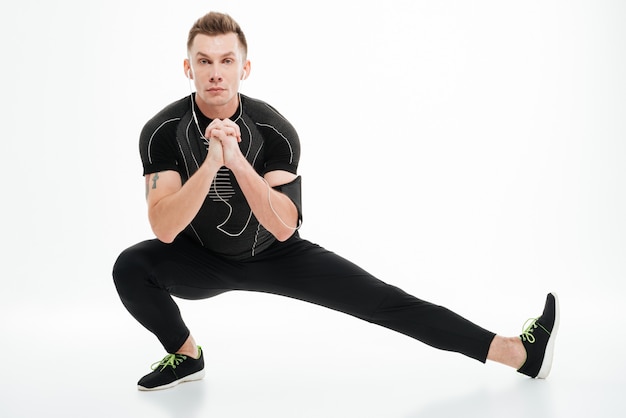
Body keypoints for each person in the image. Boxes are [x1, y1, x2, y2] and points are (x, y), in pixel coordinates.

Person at [112, 11, 560, 392]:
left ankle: (519, 353)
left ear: (244, 68)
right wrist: (211, 163)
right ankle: (187, 356)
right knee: (131, 267)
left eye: (227, 60)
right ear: (187, 68)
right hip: (200, 258)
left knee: (386, 301)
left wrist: (238, 163)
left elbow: (285, 225)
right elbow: (165, 228)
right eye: (204, 61)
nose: (215, 72)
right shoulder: (161, 130)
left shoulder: (273, 129)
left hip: (276, 253)